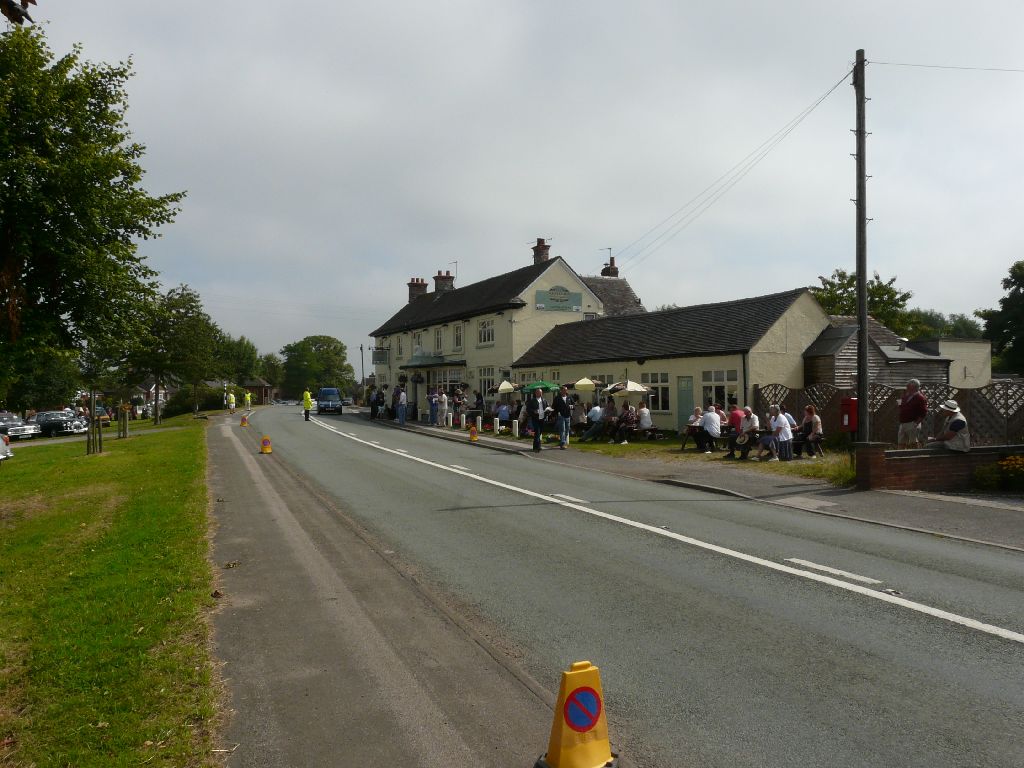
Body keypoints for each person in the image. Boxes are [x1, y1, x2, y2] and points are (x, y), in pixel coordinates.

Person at [898, 378, 928, 448]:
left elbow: (924, 412)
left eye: (908, 385)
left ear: (914, 387)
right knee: (901, 442)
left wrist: (916, 423)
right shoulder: (906, 396)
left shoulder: (920, 398)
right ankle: (900, 457)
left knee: (913, 442)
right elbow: (902, 406)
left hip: (912, 423)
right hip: (903, 423)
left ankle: (917, 457)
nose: (907, 387)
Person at [526, 387, 549, 452]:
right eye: (539, 392)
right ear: (536, 393)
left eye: (541, 392)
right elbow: (528, 409)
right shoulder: (532, 400)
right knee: (537, 431)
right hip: (535, 418)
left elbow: (547, 407)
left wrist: (548, 411)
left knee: (539, 432)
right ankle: (537, 447)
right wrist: (534, 411)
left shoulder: (544, 400)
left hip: (542, 418)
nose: (540, 394)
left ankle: (536, 446)